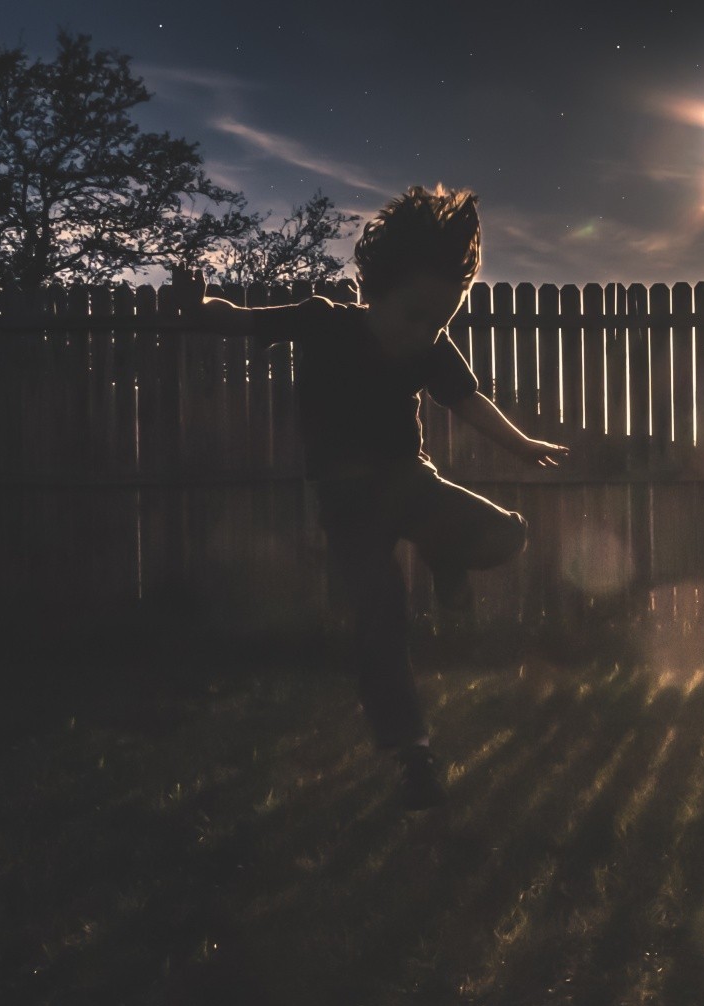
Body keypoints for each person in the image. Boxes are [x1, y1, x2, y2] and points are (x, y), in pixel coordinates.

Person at [171, 184, 568, 810]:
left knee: (508, 534)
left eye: (440, 321)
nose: (425, 333)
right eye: (416, 316)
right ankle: (413, 753)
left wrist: (521, 446)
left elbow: (467, 402)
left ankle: (445, 555)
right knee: (380, 626)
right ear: (375, 290)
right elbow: (241, 320)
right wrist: (198, 306)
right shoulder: (322, 322)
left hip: (411, 485)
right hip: (349, 507)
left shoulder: (431, 348)